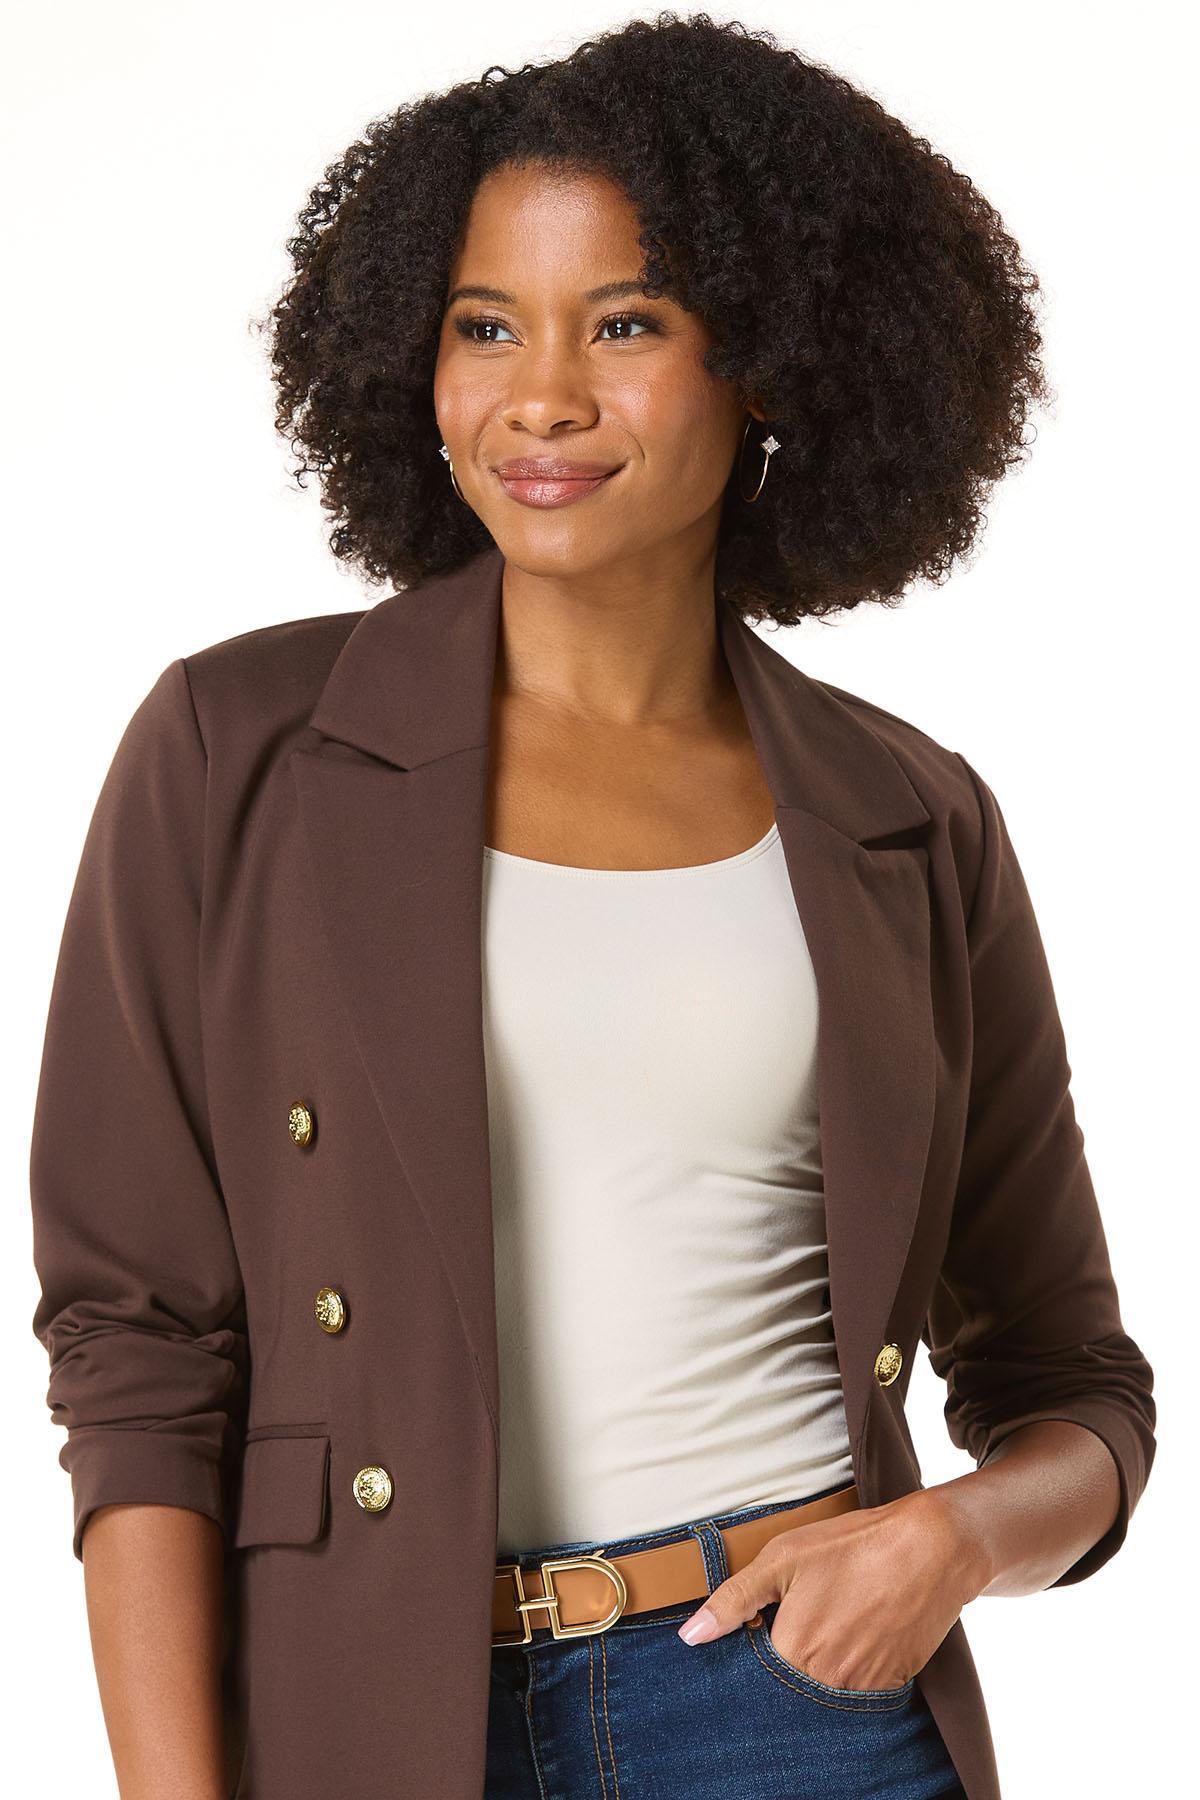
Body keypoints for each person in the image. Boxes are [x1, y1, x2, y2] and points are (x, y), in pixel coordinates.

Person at [28, 14, 1155, 1800]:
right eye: (486, 326)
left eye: (623, 325)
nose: (540, 397)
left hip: (799, 1712)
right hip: (372, 1715)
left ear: (768, 365)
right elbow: (139, 1355)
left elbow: (1072, 1379)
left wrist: (948, 1540)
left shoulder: (907, 818)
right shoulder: (237, 753)